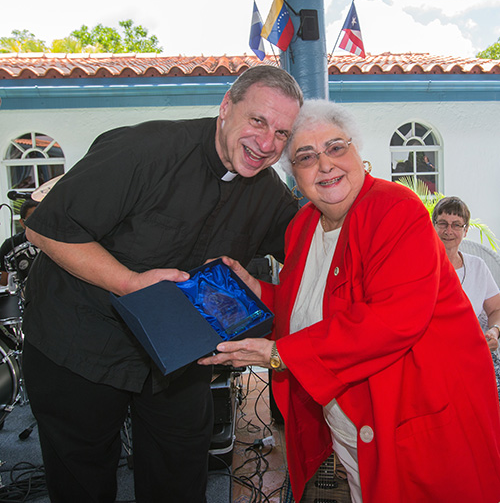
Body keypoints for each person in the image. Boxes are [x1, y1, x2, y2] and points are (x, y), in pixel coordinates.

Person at [21, 65, 303, 503]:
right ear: (226, 107)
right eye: (258, 121)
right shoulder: (144, 149)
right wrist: (128, 281)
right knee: (83, 481)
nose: (266, 144)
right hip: (77, 343)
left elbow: (313, 250)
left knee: (180, 477)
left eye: (282, 133)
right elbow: (44, 228)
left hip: (176, 360)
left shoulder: (268, 193)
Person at [199, 99, 500, 503]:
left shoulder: (397, 209)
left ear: (358, 152)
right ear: (294, 177)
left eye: (336, 147)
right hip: (353, 422)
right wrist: (254, 288)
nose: (324, 164)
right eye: (306, 156)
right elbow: (305, 305)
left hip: (417, 416)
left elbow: (394, 319)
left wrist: (277, 354)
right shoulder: (303, 227)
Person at [432, 196, 500, 396]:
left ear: (466, 230)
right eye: (442, 223)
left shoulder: (478, 266)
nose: (448, 231)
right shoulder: (420, 267)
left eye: (456, 225)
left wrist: (495, 330)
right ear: (433, 225)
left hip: (475, 358)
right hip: (434, 362)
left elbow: (496, 309)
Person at [0, 198, 39, 286]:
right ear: (22, 222)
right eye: (32, 218)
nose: (38, 222)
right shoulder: (10, 244)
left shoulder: (57, 241)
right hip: (24, 295)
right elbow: (3, 281)